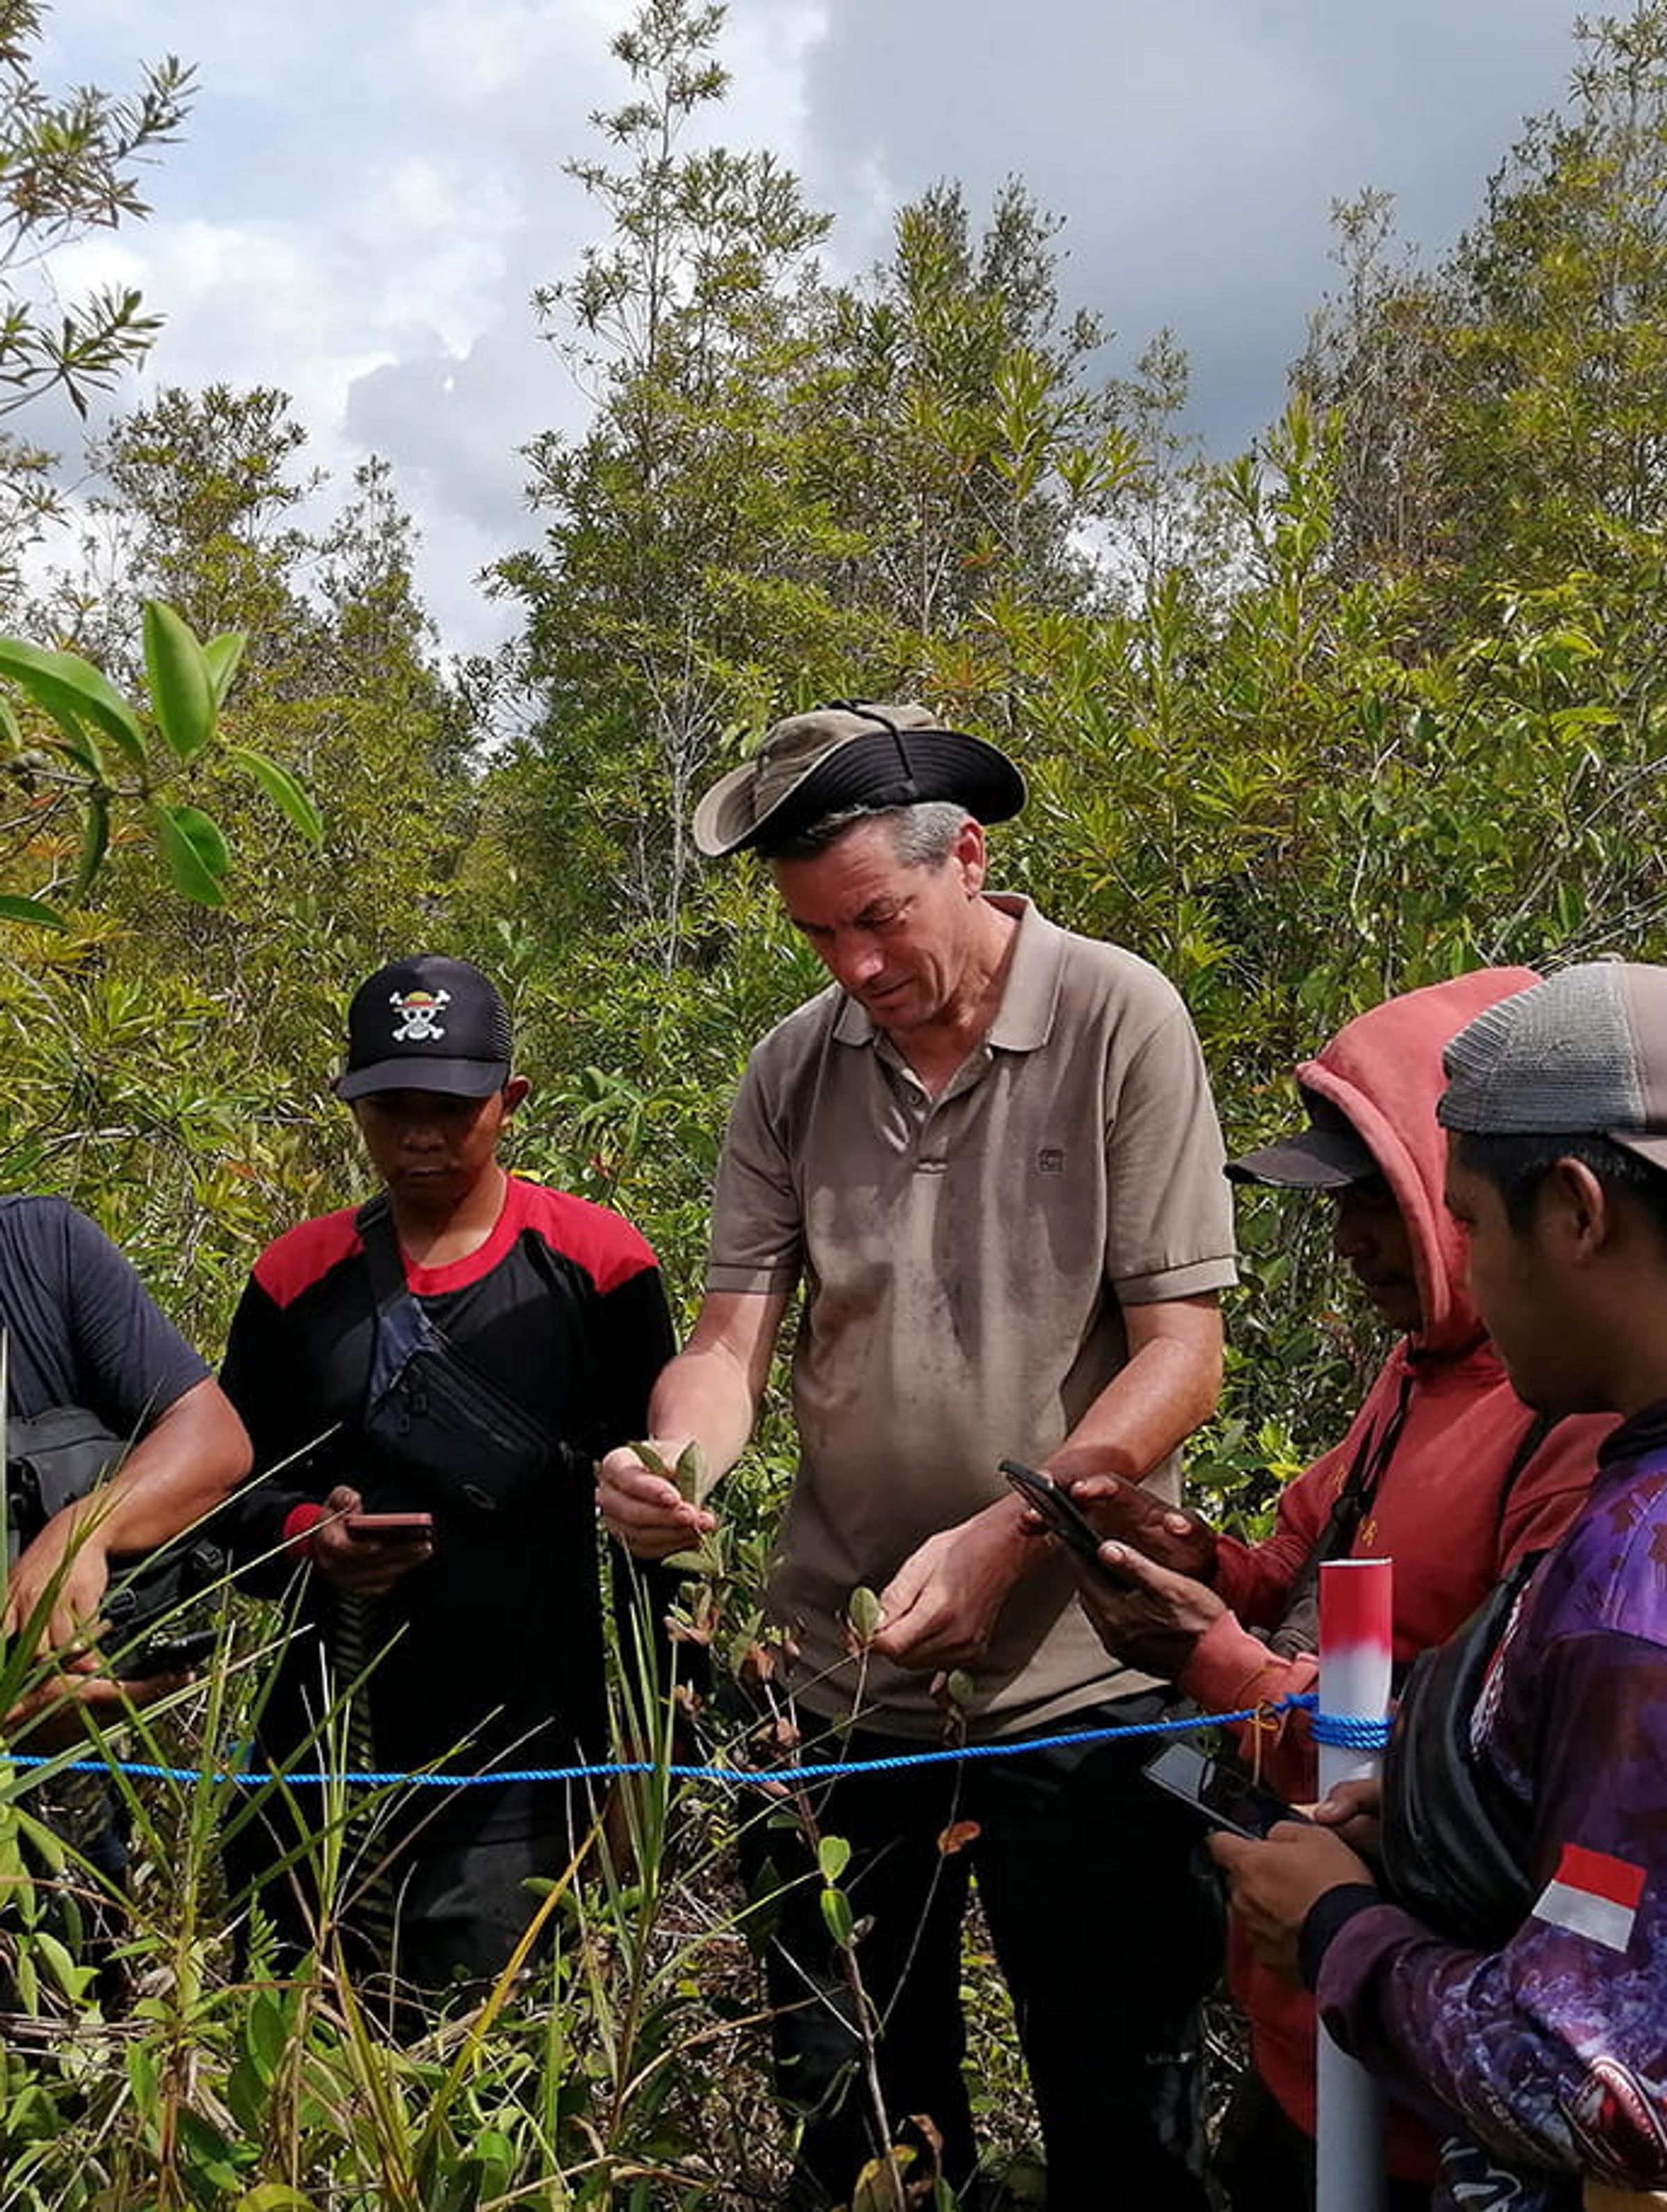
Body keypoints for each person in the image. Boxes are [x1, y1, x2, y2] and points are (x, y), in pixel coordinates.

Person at [598, 704, 1238, 2210]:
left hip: (1080, 1679)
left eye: (877, 920)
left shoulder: (1116, 1016)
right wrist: (674, 1459)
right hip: (838, 1677)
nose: (856, 968)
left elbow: (1180, 1354)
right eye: (819, 936)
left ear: (970, 854)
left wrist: (1010, 1532)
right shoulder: (793, 1067)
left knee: (1122, 2108)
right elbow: (731, 1340)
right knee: (860, 2119)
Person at [1056, 971, 1613, 2210]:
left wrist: (1211, 1658)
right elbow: (1316, 1570)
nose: (1352, 1239)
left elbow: (1483, 1760)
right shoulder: (1421, 1370)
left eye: (1382, 1198)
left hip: (1442, 2076)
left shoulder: (1574, 1429)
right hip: (1316, 2025)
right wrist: (1207, 1565)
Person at [1213, 959, 1667, 2212]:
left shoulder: (1635, 1583)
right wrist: (1424, 1803)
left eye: (1468, 1220)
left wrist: (1340, 1928)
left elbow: (1590, 2080)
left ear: (1575, 1210)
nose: (1452, 1263)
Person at [219, 954, 677, 2002]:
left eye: (450, 1109)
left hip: (525, 1759)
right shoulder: (297, 1277)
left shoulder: (598, 1264)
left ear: (509, 1102)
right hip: (323, 1749)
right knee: (296, 2054)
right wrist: (305, 1534)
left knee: (496, 2064)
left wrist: (649, 1764)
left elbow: (658, 1525)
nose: (419, 1137)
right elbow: (219, 1488)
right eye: (389, 1109)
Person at [0, 1194, 251, 1986]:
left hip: (64, 1807)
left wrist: (82, 1533)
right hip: (37, 1740)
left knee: (77, 2032)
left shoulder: (38, 1248)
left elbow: (211, 1439)